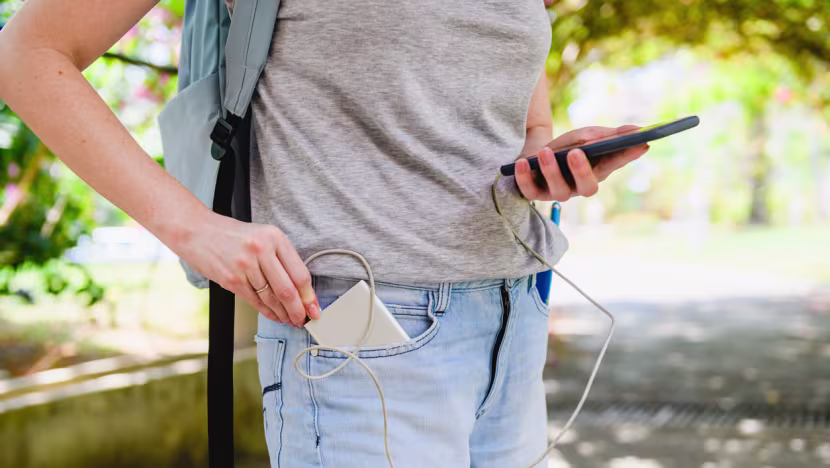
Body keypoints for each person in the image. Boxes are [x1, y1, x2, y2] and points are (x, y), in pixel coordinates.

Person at [0, 1, 648, 466]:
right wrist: (193, 229)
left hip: (515, 309)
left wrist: (546, 156)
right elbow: (29, 52)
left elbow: (516, 113)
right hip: (361, 331)